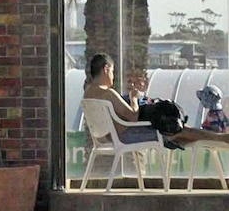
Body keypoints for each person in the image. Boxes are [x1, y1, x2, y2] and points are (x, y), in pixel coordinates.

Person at [83, 53, 229, 146]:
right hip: (124, 136)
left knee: (178, 131)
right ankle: (220, 139)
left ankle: (216, 139)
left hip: (106, 137)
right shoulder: (107, 93)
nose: (113, 77)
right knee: (173, 130)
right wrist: (134, 98)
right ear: (106, 69)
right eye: (113, 72)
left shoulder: (88, 93)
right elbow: (132, 116)